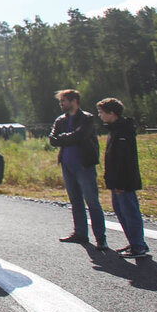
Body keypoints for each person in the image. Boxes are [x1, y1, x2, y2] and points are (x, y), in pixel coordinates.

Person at [49, 89, 107, 250]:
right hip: (67, 165)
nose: (61, 105)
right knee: (75, 201)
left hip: (84, 164)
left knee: (92, 201)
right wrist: (67, 137)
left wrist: (64, 138)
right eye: (60, 102)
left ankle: (101, 238)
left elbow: (80, 136)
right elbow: (52, 139)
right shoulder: (60, 120)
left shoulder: (87, 118)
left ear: (74, 101)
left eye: (64, 101)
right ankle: (80, 233)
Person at [97, 98, 150, 259]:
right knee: (121, 212)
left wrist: (120, 183)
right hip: (117, 181)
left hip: (124, 182)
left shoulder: (123, 131)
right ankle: (136, 242)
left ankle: (138, 246)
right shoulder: (115, 129)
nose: (99, 116)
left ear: (111, 113)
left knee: (130, 213)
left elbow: (124, 160)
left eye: (101, 112)